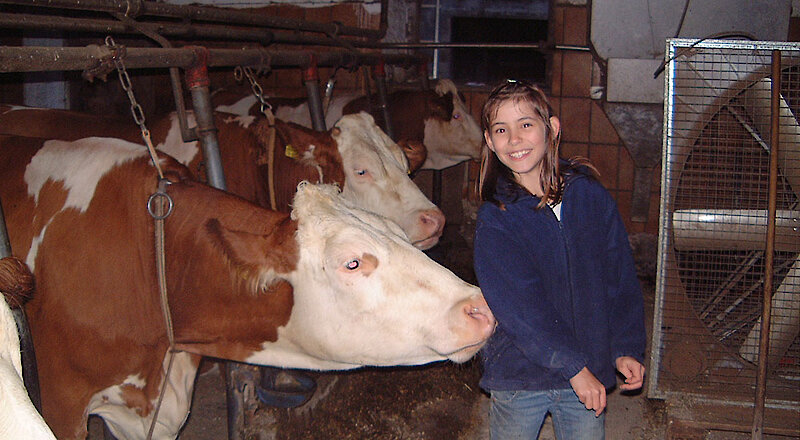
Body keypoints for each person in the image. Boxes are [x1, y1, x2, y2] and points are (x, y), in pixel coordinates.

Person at [473, 79, 647, 440]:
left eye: (526, 125)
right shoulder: (498, 216)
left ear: (551, 128)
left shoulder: (590, 196)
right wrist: (572, 367)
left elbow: (619, 276)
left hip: (588, 367)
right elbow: (520, 306)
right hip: (521, 373)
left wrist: (625, 347)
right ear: (490, 141)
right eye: (501, 130)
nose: (515, 139)